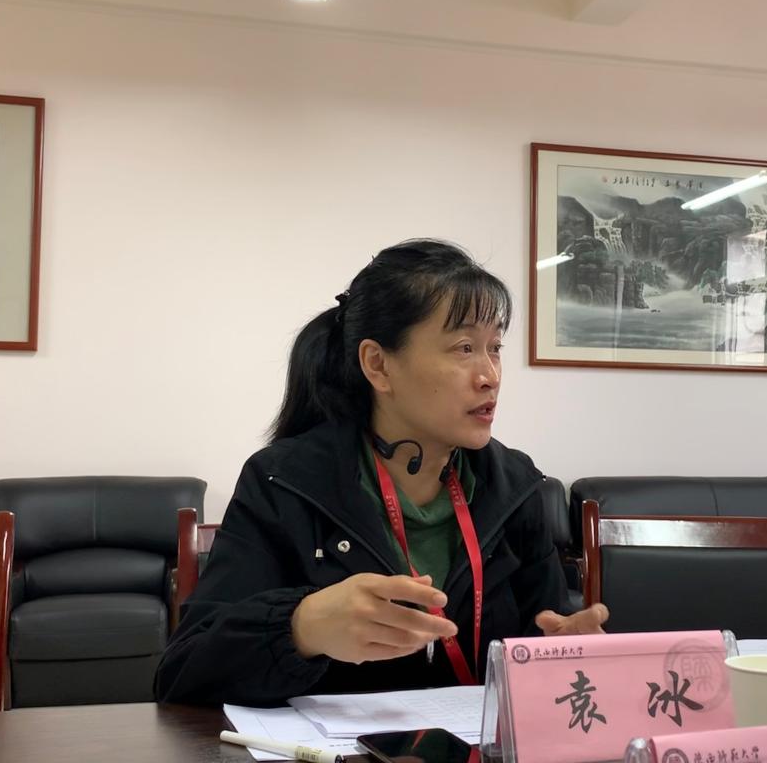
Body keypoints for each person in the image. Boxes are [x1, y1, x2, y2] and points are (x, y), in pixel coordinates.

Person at [155, 239, 609, 706]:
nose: (490, 374)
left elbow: (541, 637)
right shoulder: (284, 482)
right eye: (464, 347)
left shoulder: (514, 485)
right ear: (378, 365)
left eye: (495, 348)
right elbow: (184, 675)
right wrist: (301, 627)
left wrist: (567, 653)